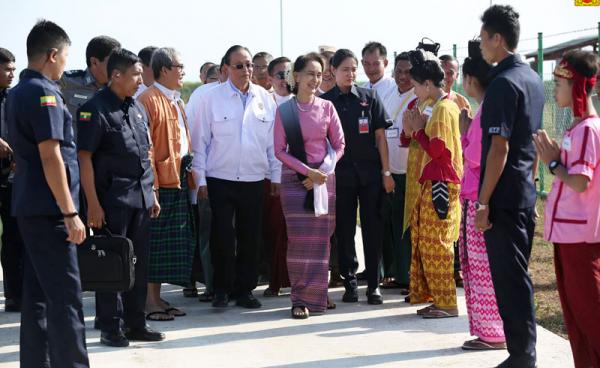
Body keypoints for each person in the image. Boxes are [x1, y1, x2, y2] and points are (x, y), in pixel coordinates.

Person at [6, 20, 89, 367]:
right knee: (66, 297)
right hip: (50, 210)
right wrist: (70, 213)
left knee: (37, 297)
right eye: (64, 58)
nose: (64, 66)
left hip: (30, 205)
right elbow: (50, 154)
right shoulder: (43, 93)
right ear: (52, 55)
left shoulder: (16, 92)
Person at [77, 48, 164, 347]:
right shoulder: (94, 109)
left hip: (140, 200)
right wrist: (93, 204)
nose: (141, 79)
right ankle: (110, 327)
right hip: (111, 203)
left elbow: (146, 153)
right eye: (136, 74)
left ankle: (136, 323)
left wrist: (152, 193)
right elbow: (84, 158)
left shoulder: (137, 108)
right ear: (116, 75)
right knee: (111, 267)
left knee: (138, 264)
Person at [476, 5, 544, 368]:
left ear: (498, 39)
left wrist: (483, 202)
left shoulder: (503, 83)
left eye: (485, 39)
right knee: (516, 275)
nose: (483, 47)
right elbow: (531, 141)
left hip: (503, 197)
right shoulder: (531, 77)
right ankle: (522, 352)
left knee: (510, 278)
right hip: (522, 191)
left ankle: (522, 356)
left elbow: (499, 147)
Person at [192, 45, 281, 309]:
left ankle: (245, 290)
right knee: (222, 237)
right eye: (239, 66)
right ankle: (221, 289)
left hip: (253, 179)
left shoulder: (264, 98)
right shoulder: (211, 98)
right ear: (225, 69)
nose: (246, 70)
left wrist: (274, 176)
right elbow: (200, 143)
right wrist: (201, 181)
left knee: (250, 237)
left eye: (250, 65)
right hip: (219, 178)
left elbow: (271, 143)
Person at [534, 50, 600, 368]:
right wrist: (556, 156)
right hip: (567, 234)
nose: (555, 91)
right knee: (576, 313)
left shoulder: (588, 129)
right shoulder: (577, 129)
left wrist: (553, 162)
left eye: (559, 85)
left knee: (590, 312)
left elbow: (580, 182)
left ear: (575, 87)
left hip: (581, 237)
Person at [274, 52, 345, 318]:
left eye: (319, 74)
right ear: (297, 76)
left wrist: (321, 172)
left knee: (321, 240)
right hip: (295, 182)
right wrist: (307, 172)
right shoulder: (285, 111)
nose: (315, 79)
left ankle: (318, 293)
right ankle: (299, 299)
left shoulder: (327, 108)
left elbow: (339, 145)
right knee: (299, 242)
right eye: (310, 74)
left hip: (324, 181)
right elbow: (279, 150)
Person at [321, 49, 394, 305]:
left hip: (371, 175)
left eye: (354, 69)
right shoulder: (324, 102)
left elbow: (380, 137)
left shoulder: (369, 97)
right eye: (345, 69)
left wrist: (386, 173)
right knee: (344, 230)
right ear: (333, 71)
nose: (351, 74)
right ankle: (350, 283)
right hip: (340, 176)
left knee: (373, 229)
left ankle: (374, 285)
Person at [402, 49, 462, 319]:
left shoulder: (440, 109)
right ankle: (440, 299)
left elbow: (438, 151)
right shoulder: (445, 105)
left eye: (415, 85)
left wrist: (417, 131)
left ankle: (447, 303)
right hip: (440, 181)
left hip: (440, 183)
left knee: (436, 244)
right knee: (431, 242)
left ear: (427, 84)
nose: (414, 91)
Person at [138, 47, 194, 320]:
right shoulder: (148, 99)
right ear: (164, 70)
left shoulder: (176, 100)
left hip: (179, 178)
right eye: (179, 66)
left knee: (169, 244)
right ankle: (148, 302)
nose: (183, 71)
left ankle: (157, 297)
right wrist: (153, 189)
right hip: (161, 183)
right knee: (155, 244)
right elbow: (146, 149)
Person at [458, 43, 505, 350]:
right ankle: (489, 331)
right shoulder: (486, 108)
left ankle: (493, 332)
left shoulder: (486, 110)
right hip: (476, 196)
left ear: (472, 80)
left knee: (483, 268)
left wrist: (464, 131)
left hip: (480, 198)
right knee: (477, 267)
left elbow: (477, 156)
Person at [379, 52, 418, 291]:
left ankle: (411, 275)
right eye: (399, 71)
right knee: (393, 223)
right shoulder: (388, 93)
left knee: (410, 226)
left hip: (411, 170)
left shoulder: (419, 96)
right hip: (390, 169)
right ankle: (396, 273)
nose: (403, 76)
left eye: (408, 71)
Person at [439, 53, 471, 287]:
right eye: (442, 71)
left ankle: (457, 268)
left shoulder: (461, 102)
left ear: (457, 76)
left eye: (451, 72)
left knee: (456, 221)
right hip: (437, 172)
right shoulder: (429, 101)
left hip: (458, 170)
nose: (446, 76)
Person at [262, 56, 293, 297]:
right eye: (280, 75)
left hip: (298, 174)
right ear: (270, 78)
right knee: (273, 231)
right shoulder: (262, 102)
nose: (284, 79)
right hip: (269, 176)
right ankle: (274, 280)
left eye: (289, 74)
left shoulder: (303, 102)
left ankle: (295, 279)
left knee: (294, 232)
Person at [0, 47, 23, 313]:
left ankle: (14, 296)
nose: (11, 74)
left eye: (14, 70)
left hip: (11, 178)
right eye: (7, 69)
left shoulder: (15, 98)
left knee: (14, 238)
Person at [60, 35, 121, 121]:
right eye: (112, 63)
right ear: (94, 62)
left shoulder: (119, 90)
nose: (117, 68)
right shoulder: (65, 82)